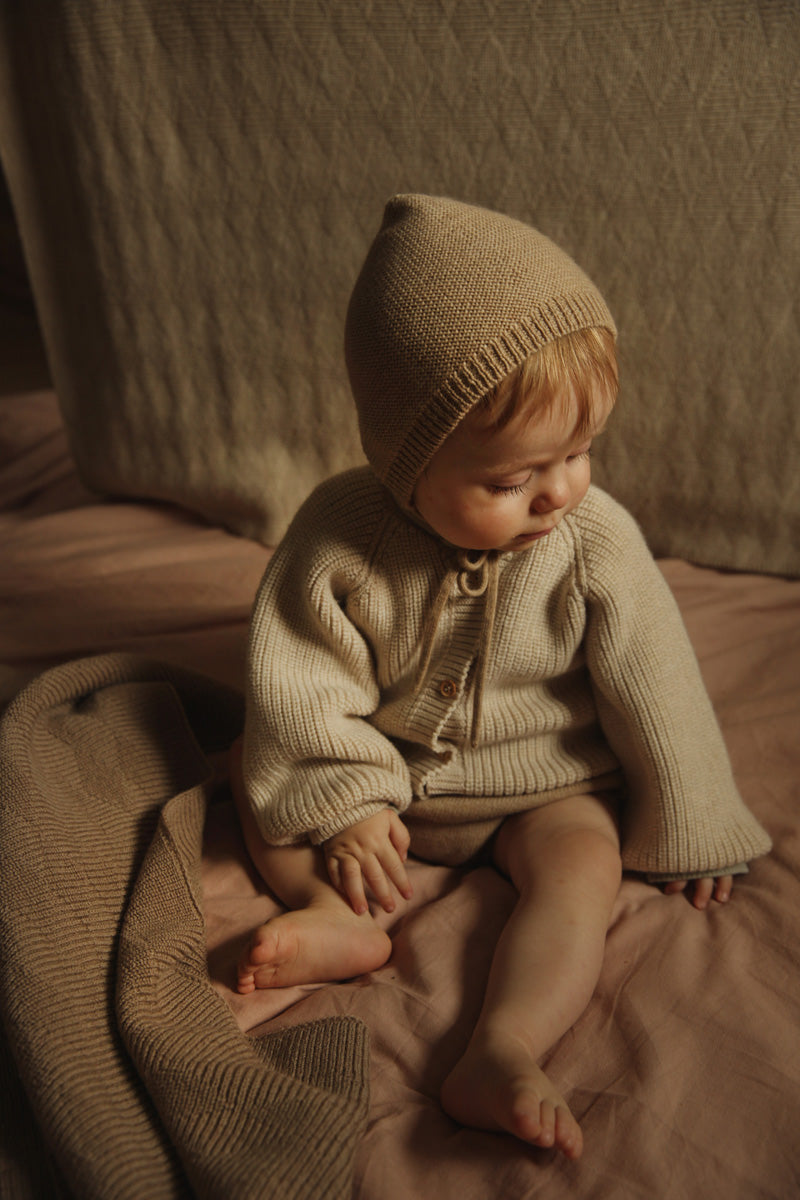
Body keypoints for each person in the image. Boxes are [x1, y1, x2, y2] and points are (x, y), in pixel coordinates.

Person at [231, 195, 771, 1159]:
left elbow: (658, 682)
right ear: (406, 465)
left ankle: (503, 1044)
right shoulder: (338, 538)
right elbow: (301, 685)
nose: (558, 491)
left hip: (544, 786)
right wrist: (345, 802)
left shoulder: (594, 541)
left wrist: (693, 817)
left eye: (577, 454)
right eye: (512, 480)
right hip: (385, 786)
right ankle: (328, 910)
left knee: (582, 867)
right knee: (254, 769)